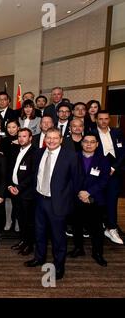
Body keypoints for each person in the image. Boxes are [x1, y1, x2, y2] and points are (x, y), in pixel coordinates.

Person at [24, 127, 81, 280]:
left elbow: (76, 181)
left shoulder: (70, 156)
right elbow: (35, 175)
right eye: (48, 137)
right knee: (39, 233)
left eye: (55, 138)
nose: (51, 141)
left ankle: (59, 265)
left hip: (58, 203)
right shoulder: (39, 153)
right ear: (45, 139)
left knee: (58, 237)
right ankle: (39, 258)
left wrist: (70, 203)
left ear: (61, 139)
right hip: (40, 200)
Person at [69, 133, 109, 267]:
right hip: (77, 198)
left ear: (97, 144)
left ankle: (97, 253)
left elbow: (104, 180)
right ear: (81, 143)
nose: (89, 144)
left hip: (95, 199)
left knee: (96, 229)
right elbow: (69, 177)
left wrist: (89, 193)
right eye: (86, 141)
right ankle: (78, 248)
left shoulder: (103, 159)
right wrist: (80, 193)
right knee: (77, 226)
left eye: (92, 142)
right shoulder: (74, 157)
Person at [93, 111, 124, 245]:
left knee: (112, 199)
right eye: (101, 119)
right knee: (98, 201)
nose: (103, 121)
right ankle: (98, 227)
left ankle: (112, 228)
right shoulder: (92, 133)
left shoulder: (117, 133)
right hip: (97, 172)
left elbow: (123, 153)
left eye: (106, 119)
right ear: (96, 120)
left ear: (109, 120)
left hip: (114, 171)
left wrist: (114, 167)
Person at [7, 128, 37, 256]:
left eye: (24, 136)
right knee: (20, 218)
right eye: (19, 136)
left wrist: (19, 188)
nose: (21, 139)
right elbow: (10, 169)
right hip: (15, 191)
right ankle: (23, 241)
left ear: (30, 138)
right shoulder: (15, 151)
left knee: (28, 221)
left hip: (27, 193)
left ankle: (29, 245)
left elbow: (33, 175)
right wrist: (10, 186)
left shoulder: (35, 152)